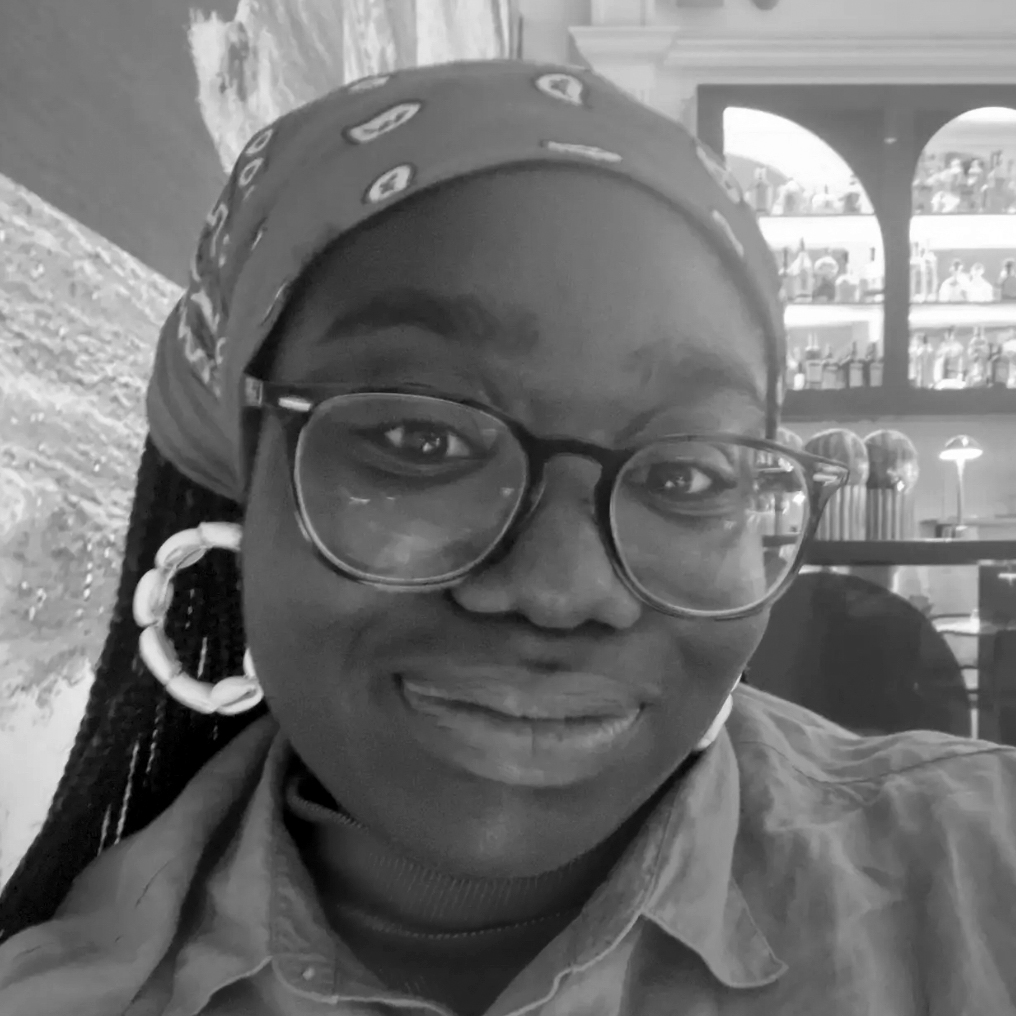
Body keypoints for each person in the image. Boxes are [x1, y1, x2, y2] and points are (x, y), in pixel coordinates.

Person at [1, 60, 1015, 1015]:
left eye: (683, 474)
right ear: (246, 464)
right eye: (421, 437)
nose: (561, 588)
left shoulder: (980, 870)